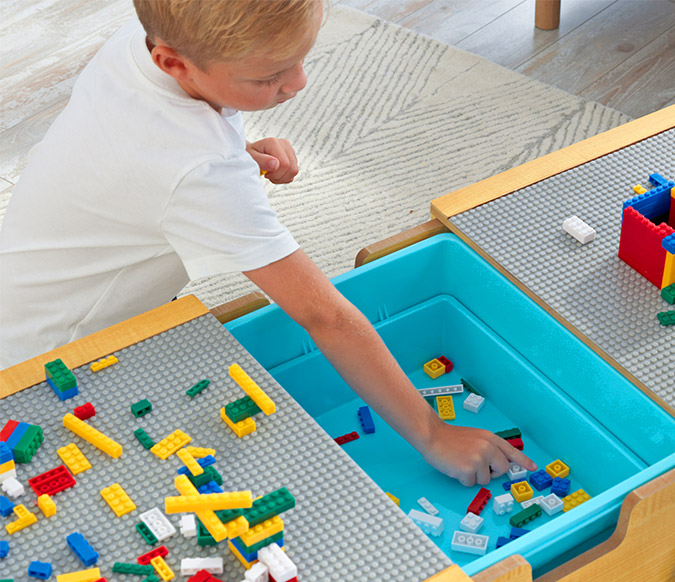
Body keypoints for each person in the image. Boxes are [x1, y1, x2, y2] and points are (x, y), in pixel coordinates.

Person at [0, 0, 533, 486]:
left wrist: (239, 151)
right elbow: (326, 316)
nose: (298, 82)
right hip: (44, 362)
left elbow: (144, 157)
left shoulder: (138, 43)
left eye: (302, 56)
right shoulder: (199, 169)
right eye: (267, 77)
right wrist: (432, 435)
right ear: (174, 63)